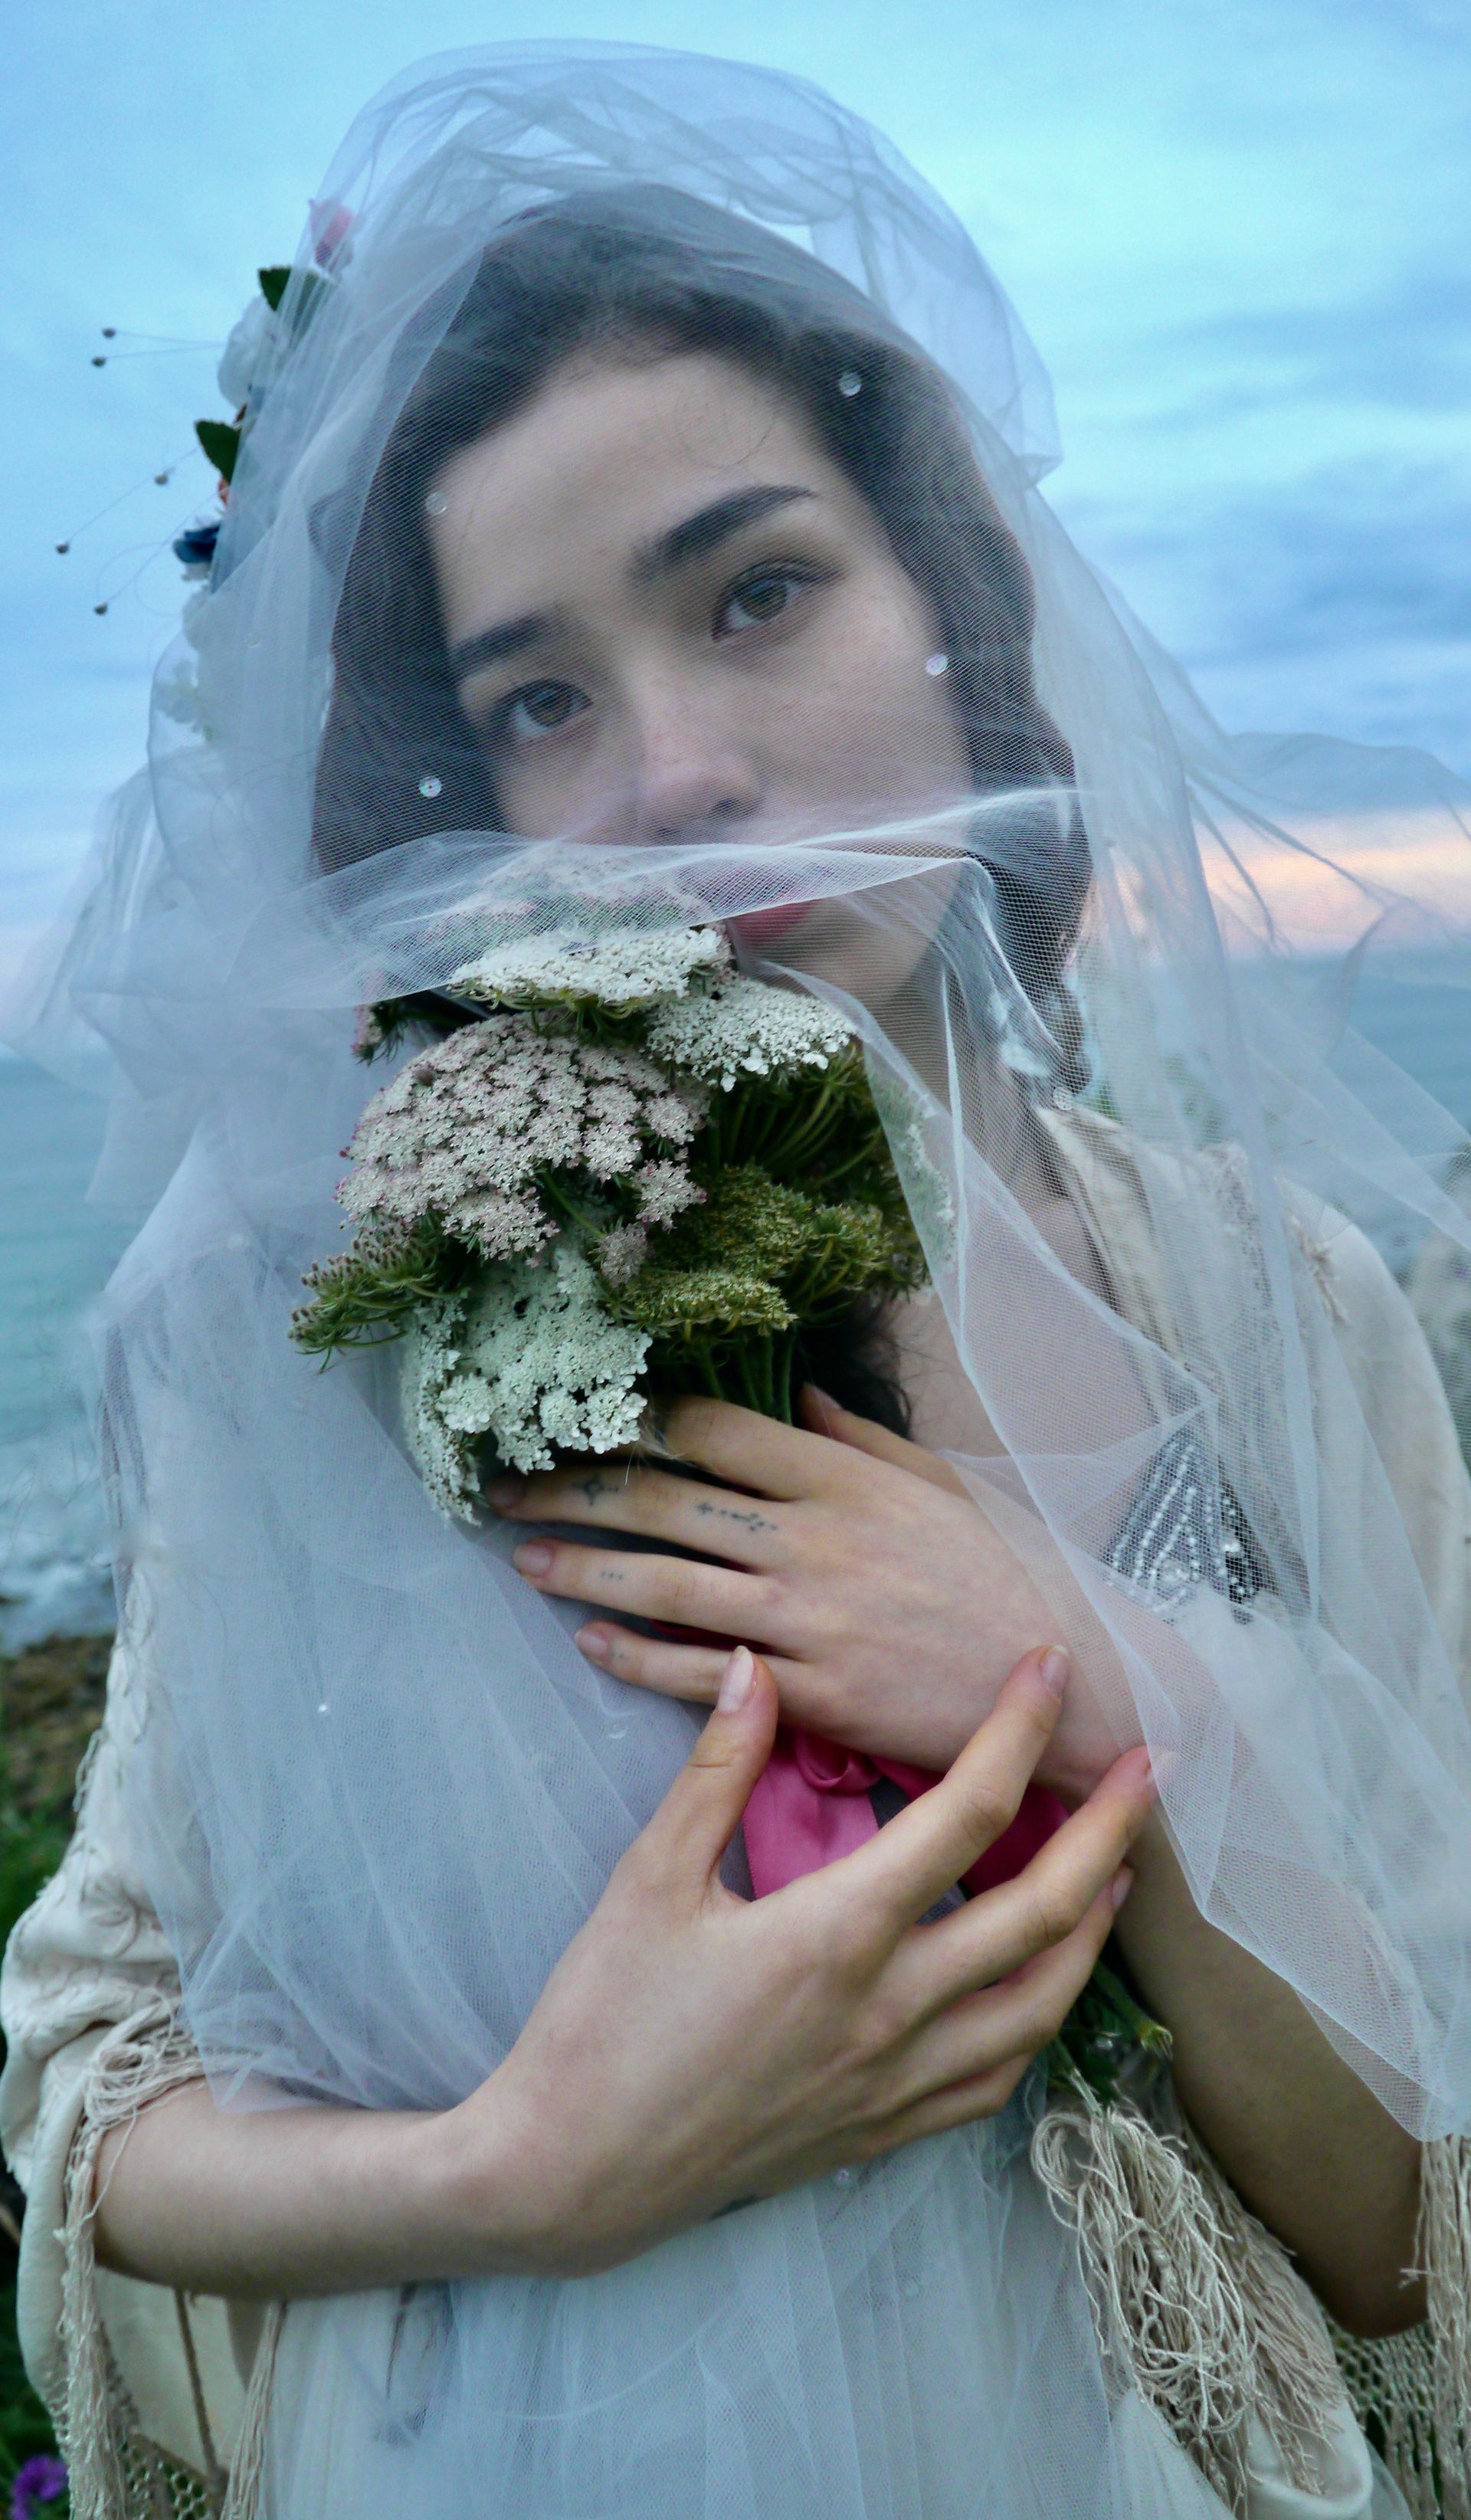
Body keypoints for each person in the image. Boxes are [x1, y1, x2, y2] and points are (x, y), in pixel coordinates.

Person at [5, 41, 1471, 2520]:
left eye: (758, 587)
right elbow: (94, 2077)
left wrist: (1101, 1679)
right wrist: (536, 2164)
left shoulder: (1276, 1300)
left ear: (949, 605)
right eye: (543, 697)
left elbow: (1409, 2227)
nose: (671, 772)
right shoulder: (374, 1322)